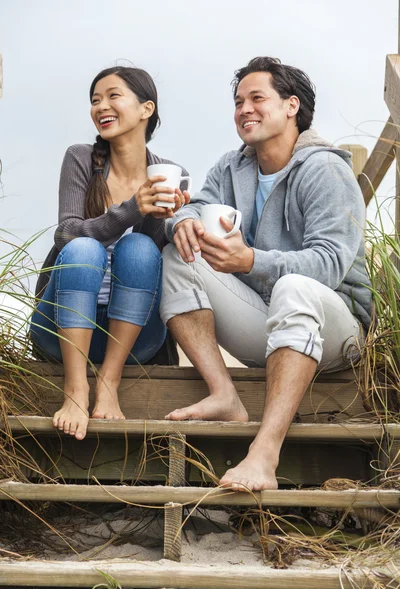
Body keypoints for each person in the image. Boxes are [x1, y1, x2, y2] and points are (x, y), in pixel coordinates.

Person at [159, 57, 372, 491]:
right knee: (177, 255)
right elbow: (198, 205)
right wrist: (182, 222)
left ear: (292, 106)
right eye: (238, 101)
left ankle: (264, 454)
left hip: (336, 330)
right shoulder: (232, 166)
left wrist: (250, 260)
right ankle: (224, 395)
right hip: (268, 323)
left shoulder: (326, 169)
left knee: (295, 286)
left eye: (257, 98)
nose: (244, 109)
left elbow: (329, 264)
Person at [30, 66, 190, 441]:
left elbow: (151, 258)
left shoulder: (171, 172)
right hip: (62, 330)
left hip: (134, 339)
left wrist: (162, 220)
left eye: (113, 95)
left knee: (140, 247)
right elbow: (66, 232)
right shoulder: (82, 158)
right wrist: (134, 208)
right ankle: (75, 389)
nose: (101, 106)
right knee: (83, 247)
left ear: (146, 108)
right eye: (95, 99)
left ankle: (109, 382)